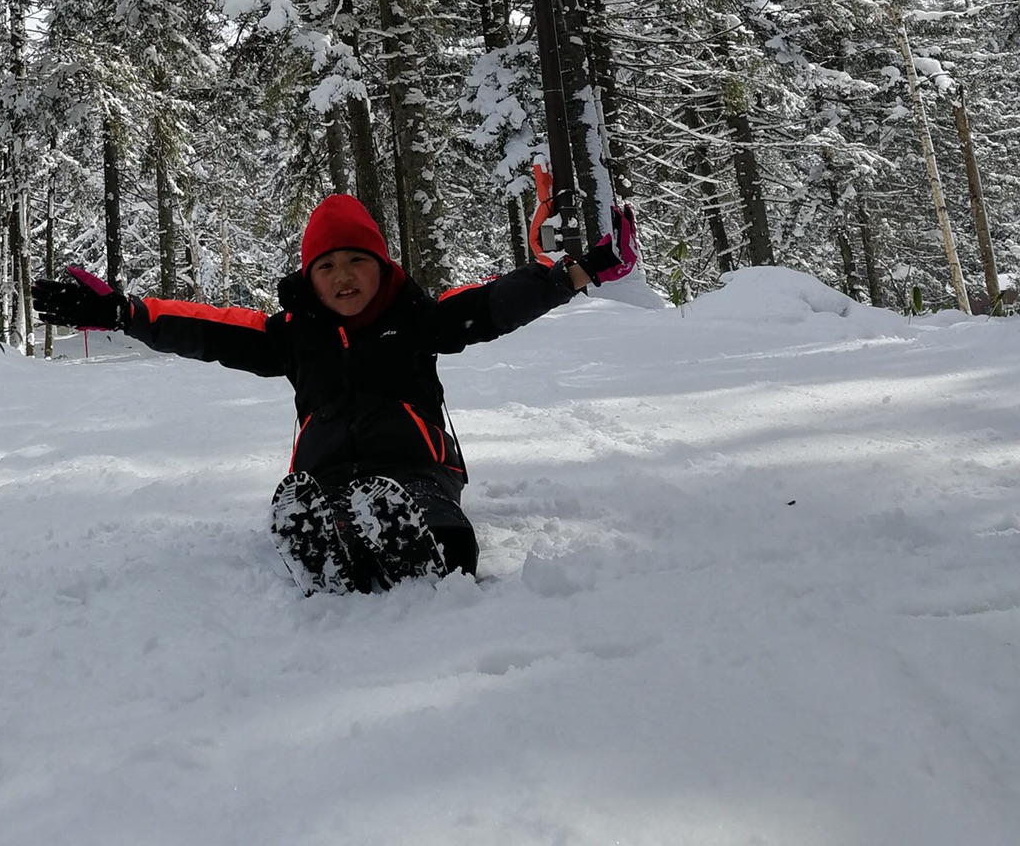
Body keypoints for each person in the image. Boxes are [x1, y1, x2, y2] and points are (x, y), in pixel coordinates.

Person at [33, 191, 637, 595]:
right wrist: (123, 312)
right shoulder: (292, 335)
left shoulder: (420, 318)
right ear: (310, 280)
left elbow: (499, 301)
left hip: (416, 469)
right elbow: (206, 327)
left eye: (356, 260)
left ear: (382, 266)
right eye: (326, 266)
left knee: (439, 525)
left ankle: (431, 555)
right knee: (321, 508)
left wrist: (577, 271)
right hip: (325, 477)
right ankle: (329, 546)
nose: (343, 276)